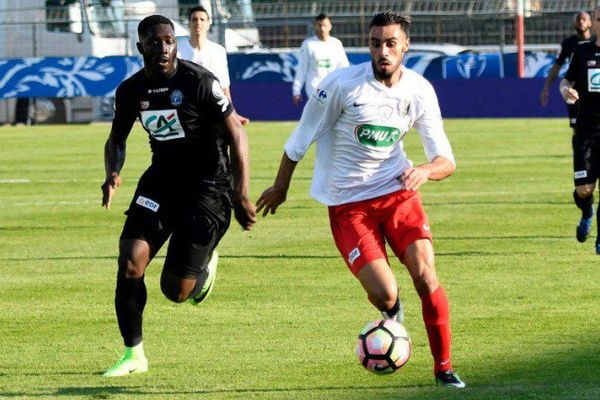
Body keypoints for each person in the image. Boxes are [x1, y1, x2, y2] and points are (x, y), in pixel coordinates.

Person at [257, 11, 465, 388]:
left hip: (398, 194)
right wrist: (280, 186)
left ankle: (444, 369)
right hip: (349, 205)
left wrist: (424, 170)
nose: (382, 51)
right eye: (375, 43)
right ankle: (392, 311)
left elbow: (445, 160)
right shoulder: (341, 86)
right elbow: (300, 138)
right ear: (367, 45)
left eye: (390, 43)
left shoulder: (419, 90)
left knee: (426, 276)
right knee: (386, 293)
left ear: (405, 46)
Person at [101, 14, 256, 377]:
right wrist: (112, 171)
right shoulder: (131, 90)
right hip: (162, 180)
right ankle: (133, 355)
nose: (163, 48)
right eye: (154, 42)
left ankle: (205, 261)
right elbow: (117, 139)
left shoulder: (198, 81)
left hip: (209, 186)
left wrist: (241, 191)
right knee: (130, 260)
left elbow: (237, 134)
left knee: (176, 291)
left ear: (176, 43)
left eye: (169, 40)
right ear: (141, 47)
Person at [560, 7, 600, 254]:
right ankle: (587, 211)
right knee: (584, 190)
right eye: (599, 18)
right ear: (593, 23)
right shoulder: (583, 52)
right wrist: (565, 91)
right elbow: (566, 80)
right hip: (586, 132)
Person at [178, 5, 249, 125]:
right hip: (185, 106)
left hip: (211, 105)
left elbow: (224, 85)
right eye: (194, 19)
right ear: (188, 23)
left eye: (202, 19)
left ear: (208, 23)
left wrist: (233, 112)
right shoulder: (178, 49)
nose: (198, 23)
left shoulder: (218, 50)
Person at [540, 11, 593, 132]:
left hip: (593, 89)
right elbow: (557, 65)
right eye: (578, 20)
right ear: (574, 23)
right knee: (577, 127)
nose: (581, 22)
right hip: (573, 90)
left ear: (590, 23)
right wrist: (546, 87)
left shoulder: (596, 42)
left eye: (584, 19)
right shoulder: (569, 44)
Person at [292, 13, 349, 106]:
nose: (322, 28)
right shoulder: (308, 44)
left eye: (325, 25)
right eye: (319, 25)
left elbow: (344, 67)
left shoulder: (336, 44)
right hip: (314, 88)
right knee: (321, 111)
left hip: (333, 87)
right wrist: (296, 91)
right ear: (315, 26)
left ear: (330, 26)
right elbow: (302, 69)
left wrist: (347, 86)